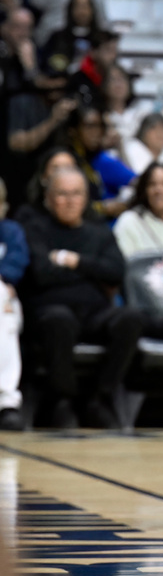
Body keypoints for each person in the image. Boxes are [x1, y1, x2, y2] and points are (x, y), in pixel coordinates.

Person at [20, 166, 144, 429]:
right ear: (48, 198)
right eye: (62, 194)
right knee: (59, 319)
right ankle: (62, 401)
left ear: (86, 197)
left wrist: (70, 260)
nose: (69, 200)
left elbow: (116, 272)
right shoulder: (34, 228)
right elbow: (41, 273)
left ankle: (100, 398)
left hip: (94, 314)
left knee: (130, 317)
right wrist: (91, 271)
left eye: (76, 193)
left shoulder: (99, 231)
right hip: (50, 312)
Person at [0, 179, 28, 430]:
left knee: (2, 301)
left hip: (4, 304)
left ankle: (6, 401)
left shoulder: (10, 232)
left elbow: (16, 263)